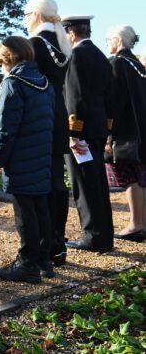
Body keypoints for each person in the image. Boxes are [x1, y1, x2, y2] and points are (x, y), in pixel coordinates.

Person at [0, 37, 55, 283]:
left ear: (7, 59)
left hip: (20, 157)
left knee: (24, 212)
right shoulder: (44, 82)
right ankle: (43, 259)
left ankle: (27, 263)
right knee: (40, 208)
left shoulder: (13, 83)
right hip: (40, 154)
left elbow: (6, 126)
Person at [24, 0, 72, 266]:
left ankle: (43, 246)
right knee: (57, 183)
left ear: (38, 14)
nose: (25, 17)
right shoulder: (60, 44)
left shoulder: (34, 45)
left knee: (42, 185)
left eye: (27, 13)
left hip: (40, 118)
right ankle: (57, 244)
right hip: (59, 116)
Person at [62, 15, 114, 252]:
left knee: (84, 184)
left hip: (81, 131)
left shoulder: (76, 56)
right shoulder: (101, 56)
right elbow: (110, 97)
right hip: (98, 128)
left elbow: (75, 97)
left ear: (71, 32)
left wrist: (74, 133)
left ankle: (93, 236)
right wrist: (108, 128)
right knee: (98, 183)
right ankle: (104, 235)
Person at [104, 25, 146, 241]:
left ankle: (135, 224)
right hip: (141, 130)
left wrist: (108, 131)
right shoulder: (139, 64)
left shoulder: (118, 63)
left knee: (130, 178)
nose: (107, 43)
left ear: (118, 40)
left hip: (125, 132)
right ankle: (142, 222)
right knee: (140, 177)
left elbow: (114, 102)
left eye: (108, 39)